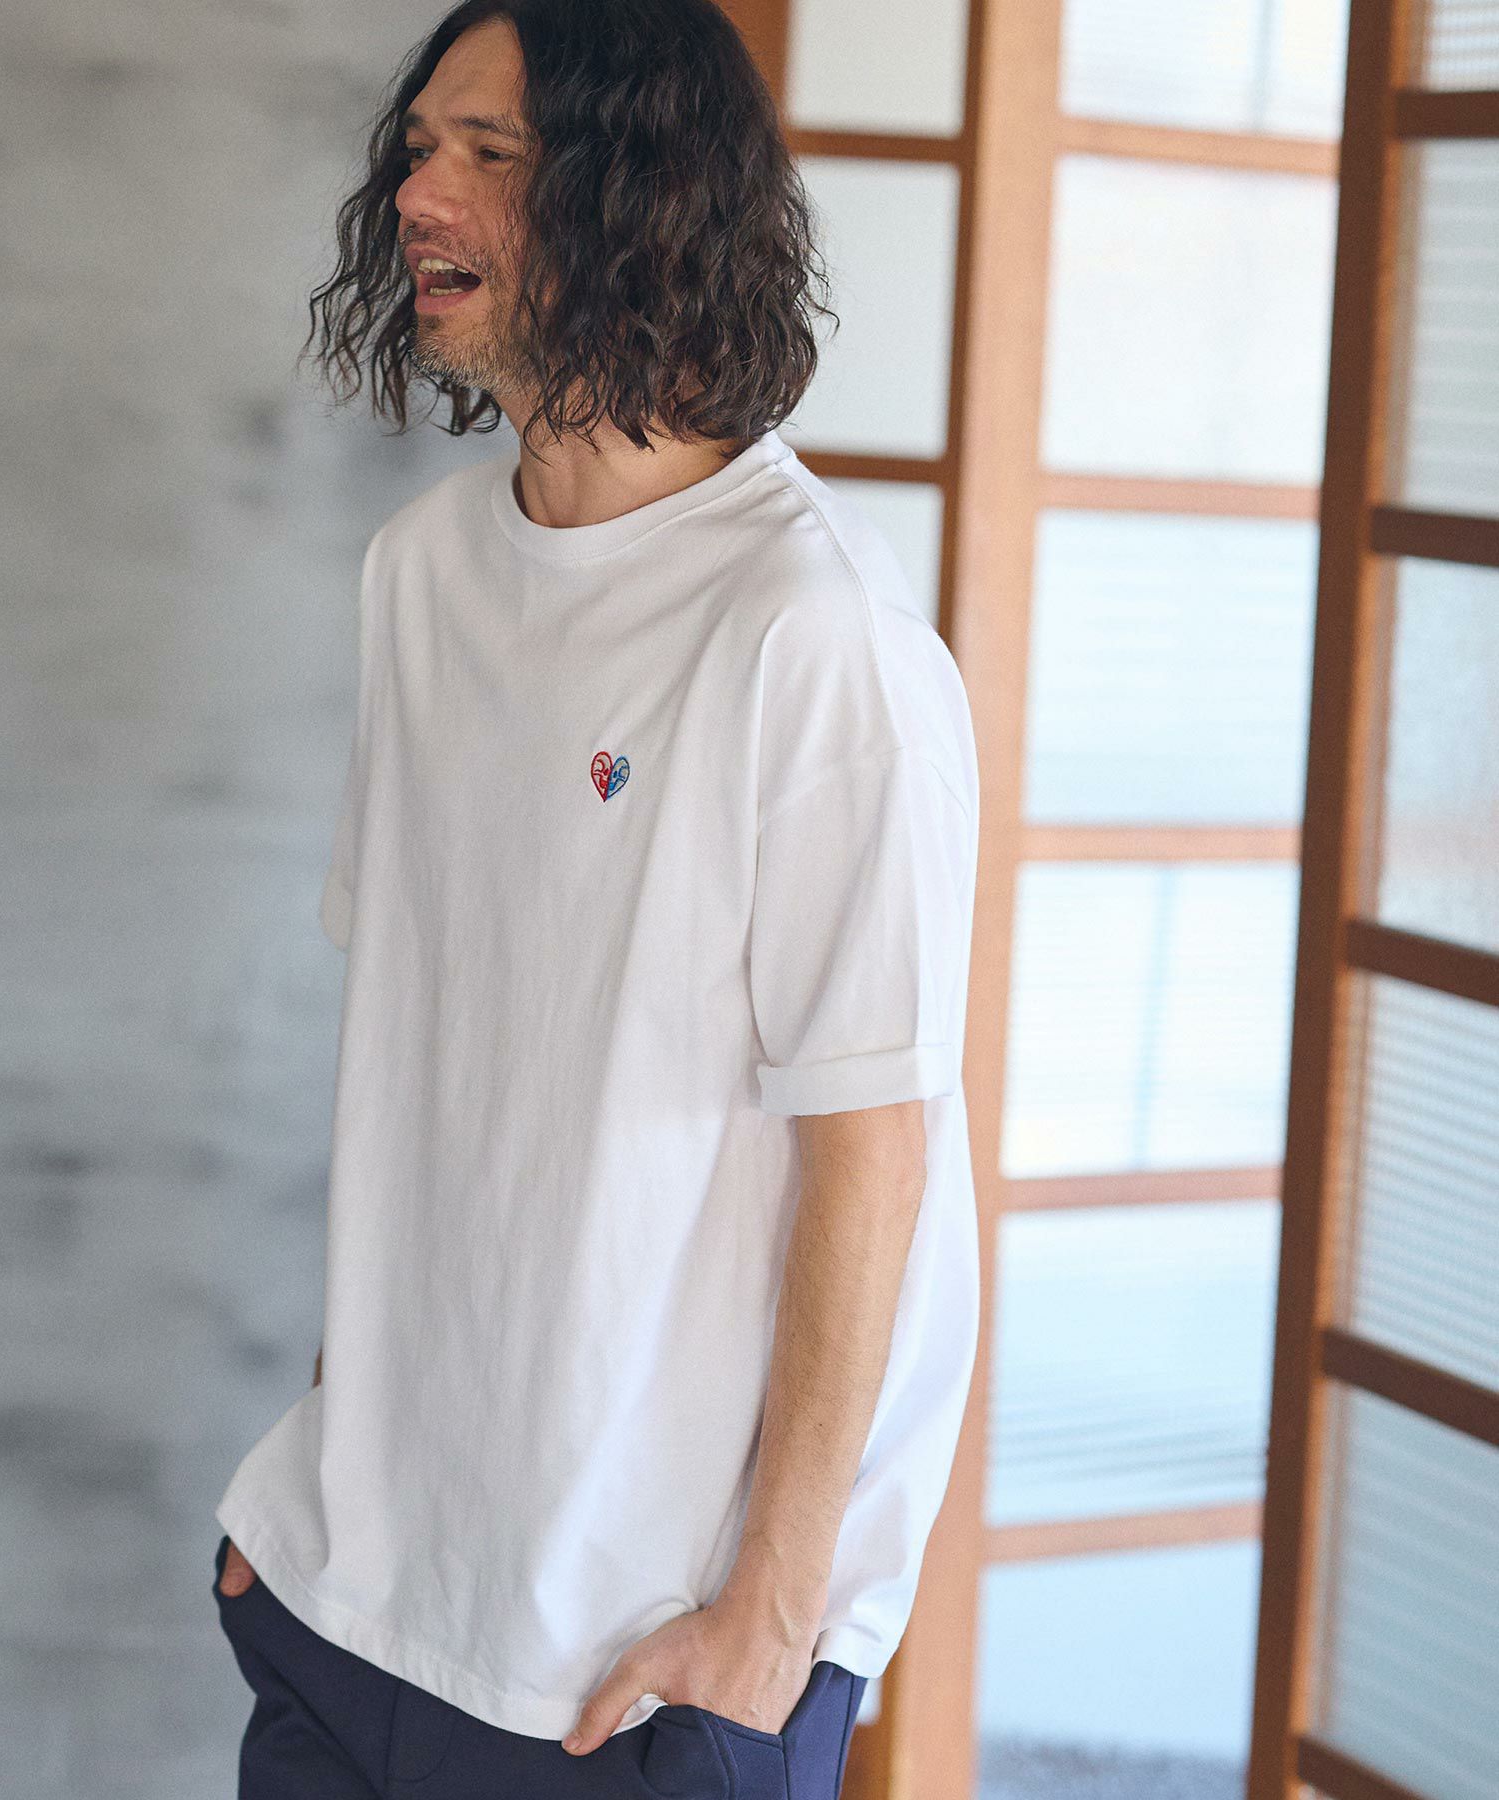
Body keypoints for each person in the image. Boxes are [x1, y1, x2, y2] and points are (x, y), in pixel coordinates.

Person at [210, 1, 982, 1794]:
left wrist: (770, 1624)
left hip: (637, 1665)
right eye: (422, 147)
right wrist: (326, 1458)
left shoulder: (813, 636)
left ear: (644, 201)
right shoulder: (421, 576)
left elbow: (873, 1155)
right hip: (362, 1599)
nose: (421, 194)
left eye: (492, 155)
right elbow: (425, 1066)